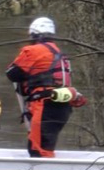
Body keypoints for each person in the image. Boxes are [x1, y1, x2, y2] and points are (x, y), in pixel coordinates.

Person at [5, 17, 84, 158]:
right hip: (62, 107)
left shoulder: (33, 50)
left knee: (39, 150)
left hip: (45, 105)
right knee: (42, 146)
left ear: (34, 34)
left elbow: (12, 73)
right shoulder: (60, 53)